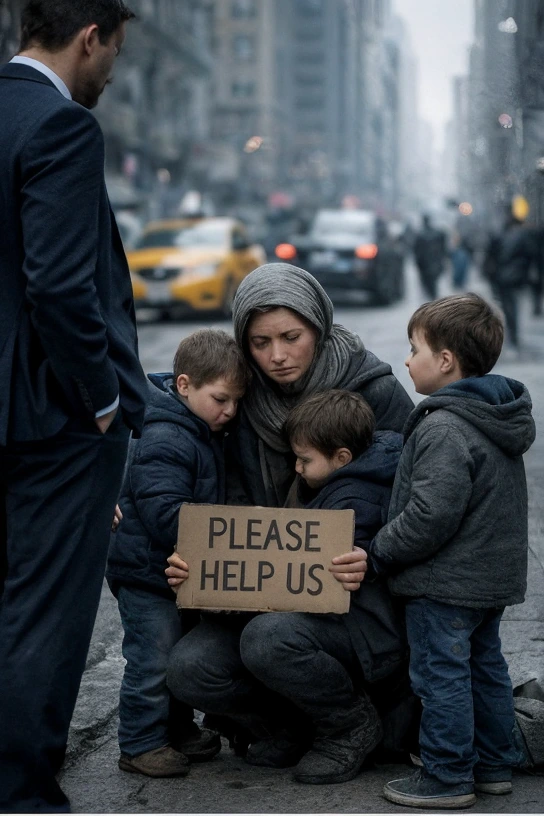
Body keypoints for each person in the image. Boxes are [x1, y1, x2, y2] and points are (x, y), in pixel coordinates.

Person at [164, 262, 416, 785]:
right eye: (259, 342)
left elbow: (423, 499)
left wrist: (375, 556)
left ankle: (349, 725)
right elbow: (196, 474)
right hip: (265, 593)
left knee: (268, 638)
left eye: (291, 337)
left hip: (361, 605)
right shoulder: (237, 399)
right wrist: (199, 557)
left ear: (318, 329)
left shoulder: (375, 391)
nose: (276, 356)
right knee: (191, 668)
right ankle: (291, 726)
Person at [0, 2, 149, 811]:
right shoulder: (61, 128)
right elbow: (59, 286)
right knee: (44, 611)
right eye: (113, 52)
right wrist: (100, 399)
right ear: (88, 37)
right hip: (51, 417)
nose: (114, 71)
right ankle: (20, 793)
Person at [367, 293, 535, 809]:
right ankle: (492, 767)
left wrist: (380, 549)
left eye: (413, 347)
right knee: (486, 670)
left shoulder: (443, 425)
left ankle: (447, 775)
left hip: (445, 583)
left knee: (441, 677)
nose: (405, 359)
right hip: (489, 579)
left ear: (445, 361)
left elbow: (430, 515)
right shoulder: (494, 415)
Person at [106, 330, 249, 778]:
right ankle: (140, 744)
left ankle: (179, 730)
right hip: (145, 572)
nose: (230, 411)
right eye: (221, 399)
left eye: (237, 402)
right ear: (184, 385)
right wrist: (222, 541)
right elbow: (165, 512)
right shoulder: (167, 435)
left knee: (176, 652)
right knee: (153, 659)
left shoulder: (199, 427)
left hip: (178, 570)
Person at [483, 211, 536, 351]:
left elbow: (490, 258)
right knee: (512, 304)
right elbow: (530, 255)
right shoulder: (522, 237)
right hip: (515, 276)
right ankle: (513, 333)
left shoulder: (498, 236)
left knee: (508, 305)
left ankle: (511, 333)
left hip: (502, 277)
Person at [413, 214, 447, 300]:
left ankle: (432, 298)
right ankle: (433, 297)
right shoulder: (437, 233)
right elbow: (443, 248)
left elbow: (417, 252)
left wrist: (418, 264)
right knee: (433, 284)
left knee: (428, 284)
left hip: (426, 264)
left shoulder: (420, 235)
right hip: (435, 263)